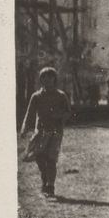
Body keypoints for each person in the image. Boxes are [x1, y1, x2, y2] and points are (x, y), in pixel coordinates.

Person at [20, 66, 73, 197]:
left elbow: (68, 113)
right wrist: (24, 128)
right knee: (39, 157)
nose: (47, 81)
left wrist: (59, 115)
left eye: (50, 78)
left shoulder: (61, 96)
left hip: (56, 132)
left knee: (51, 159)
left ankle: (50, 186)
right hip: (40, 132)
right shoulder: (36, 96)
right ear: (41, 80)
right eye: (44, 78)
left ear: (54, 79)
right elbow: (30, 114)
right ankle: (45, 178)